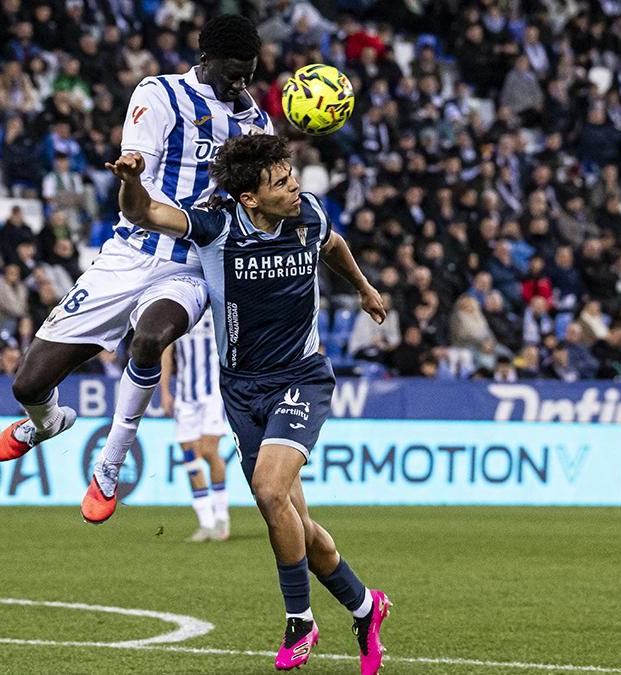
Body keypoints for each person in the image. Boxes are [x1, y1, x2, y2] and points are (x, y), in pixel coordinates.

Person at [101, 135, 392, 673]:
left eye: (292, 176)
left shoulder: (308, 215)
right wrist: (131, 180)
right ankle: (365, 605)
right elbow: (142, 212)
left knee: (266, 490)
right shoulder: (216, 224)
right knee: (297, 526)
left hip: (301, 378)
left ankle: (299, 622)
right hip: (241, 387)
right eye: (281, 182)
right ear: (250, 199)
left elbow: (333, 245)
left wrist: (365, 289)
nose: (295, 187)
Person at [0, 15, 272, 528]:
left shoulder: (255, 124)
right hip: (128, 254)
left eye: (248, 73)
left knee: (150, 339)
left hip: (189, 266)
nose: (241, 84)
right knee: (28, 384)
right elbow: (134, 187)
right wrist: (130, 181)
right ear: (204, 59)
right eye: (232, 72)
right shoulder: (159, 95)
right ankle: (47, 422)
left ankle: (108, 467)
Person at [161, 311, 232, 542]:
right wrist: (164, 391)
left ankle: (221, 516)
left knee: (209, 450)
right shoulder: (183, 311)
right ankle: (206, 522)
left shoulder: (219, 309)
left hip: (213, 394)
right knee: (190, 455)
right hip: (185, 397)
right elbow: (167, 350)